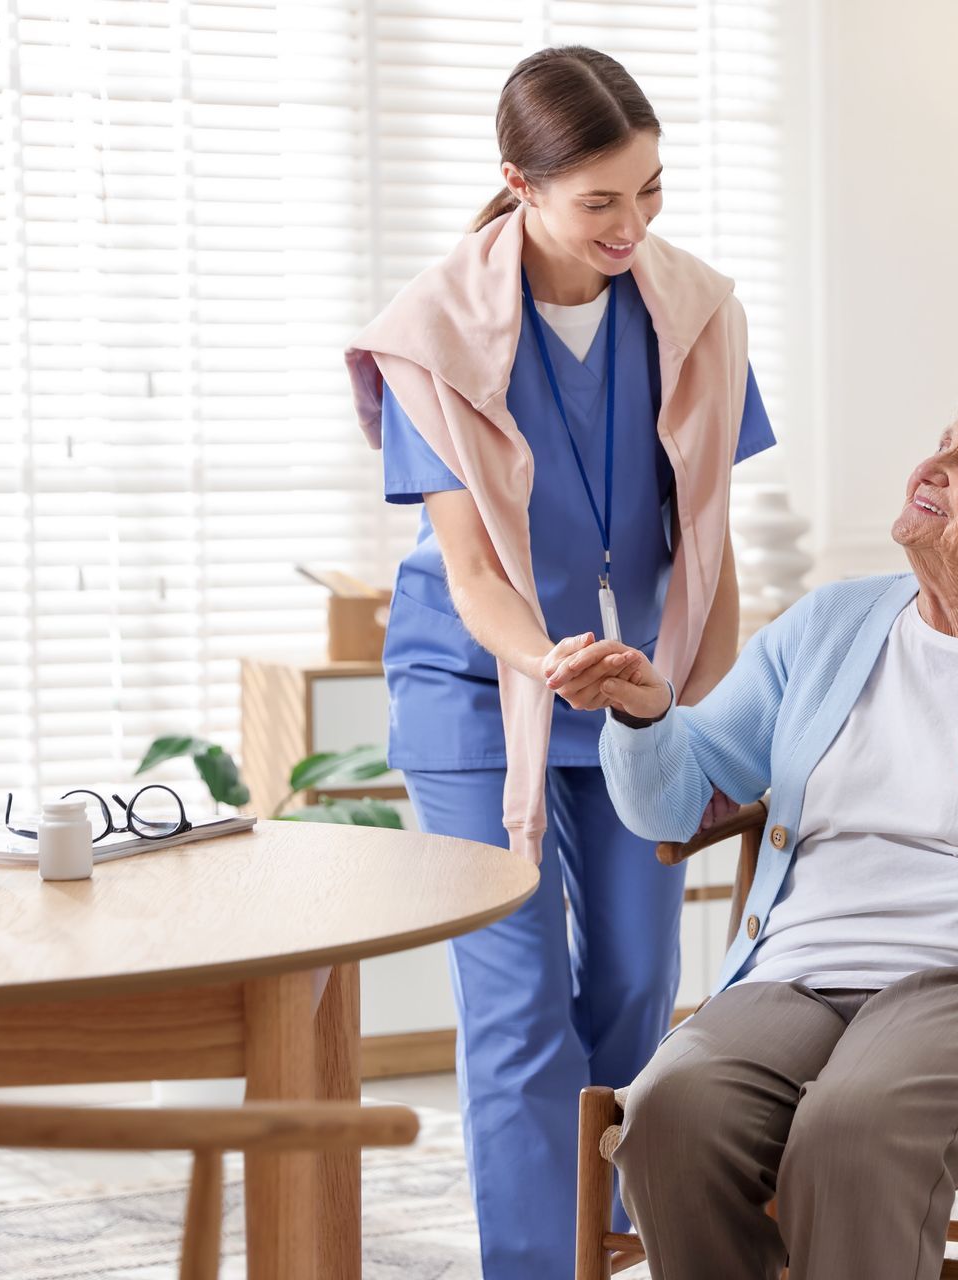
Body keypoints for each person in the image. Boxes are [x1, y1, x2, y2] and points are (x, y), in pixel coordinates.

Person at [551, 354, 958, 1280]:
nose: (931, 467)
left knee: (853, 1129)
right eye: (940, 446)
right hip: (801, 976)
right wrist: (647, 710)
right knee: (671, 1111)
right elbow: (671, 800)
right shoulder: (829, 627)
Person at [342, 45, 774, 1278]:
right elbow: (474, 574)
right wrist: (552, 659)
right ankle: (539, 1261)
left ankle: (600, 1221)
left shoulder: (695, 313)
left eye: (650, 191)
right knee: (519, 999)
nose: (633, 224)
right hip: (477, 689)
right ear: (520, 186)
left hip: (634, 691)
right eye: (601, 201)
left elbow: (710, 551)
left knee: (641, 984)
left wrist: (686, 719)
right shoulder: (433, 334)